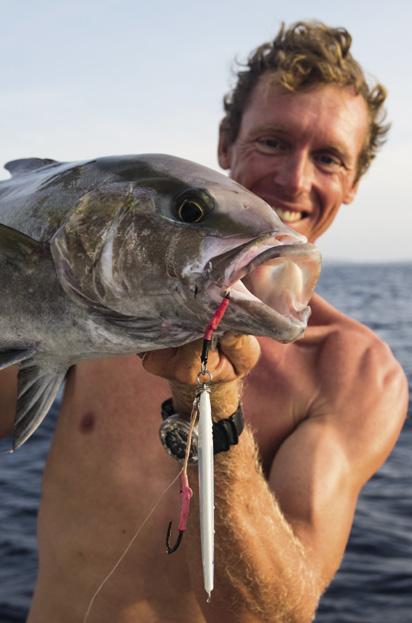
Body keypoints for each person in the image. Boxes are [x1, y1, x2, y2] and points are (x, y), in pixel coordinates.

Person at [1, 20, 408, 623]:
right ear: (226, 143)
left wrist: (218, 413)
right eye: (272, 142)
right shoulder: (102, 310)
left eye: (327, 158)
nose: (294, 180)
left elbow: (278, 615)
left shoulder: (356, 377)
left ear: (352, 184)